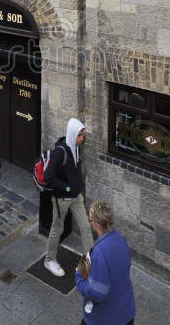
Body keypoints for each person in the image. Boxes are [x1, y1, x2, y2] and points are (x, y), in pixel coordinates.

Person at [42, 118, 93, 277]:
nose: (82, 138)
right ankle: (49, 259)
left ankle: (90, 262)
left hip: (76, 197)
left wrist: (76, 190)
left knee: (85, 227)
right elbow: (48, 176)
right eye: (80, 135)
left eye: (83, 135)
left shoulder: (76, 148)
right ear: (72, 135)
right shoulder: (60, 153)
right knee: (57, 228)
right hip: (62, 199)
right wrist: (67, 187)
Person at [75, 201, 136, 325]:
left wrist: (79, 278)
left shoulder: (98, 253)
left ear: (96, 225)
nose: (88, 221)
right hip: (126, 312)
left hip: (106, 318)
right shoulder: (119, 239)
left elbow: (96, 293)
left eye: (90, 219)